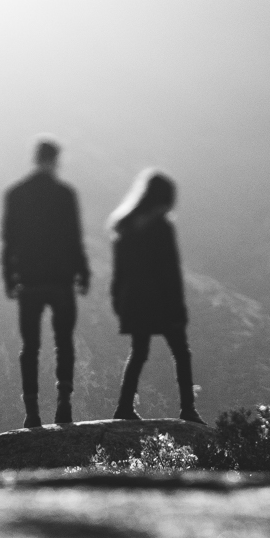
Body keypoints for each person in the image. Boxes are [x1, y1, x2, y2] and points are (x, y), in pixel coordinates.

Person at [0, 138, 91, 428]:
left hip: (29, 280)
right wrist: (83, 273)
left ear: (34, 158)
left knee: (30, 347)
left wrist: (8, 277)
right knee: (64, 343)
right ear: (55, 160)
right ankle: (64, 405)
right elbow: (75, 237)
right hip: (61, 280)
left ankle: (32, 412)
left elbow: (9, 240)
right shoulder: (65, 194)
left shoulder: (16, 194)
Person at [108, 169, 199, 423]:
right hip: (161, 301)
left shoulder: (125, 226)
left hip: (135, 301)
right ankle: (188, 410)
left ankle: (123, 408)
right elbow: (170, 271)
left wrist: (118, 301)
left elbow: (119, 272)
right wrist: (179, 309)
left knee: (138, 353)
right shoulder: (162, 228)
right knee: (181, 352)